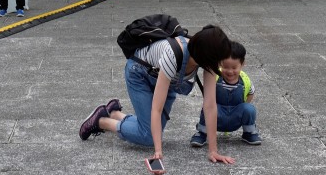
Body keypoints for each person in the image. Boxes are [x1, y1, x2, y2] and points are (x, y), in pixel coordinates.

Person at [79, 24, 235, 168]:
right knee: (148, 137)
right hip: (139, 73)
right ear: (207, 56)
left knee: (153, 131)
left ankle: (114, 113)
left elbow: (210, 105)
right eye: (219, 60)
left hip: (165, 79)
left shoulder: (207, 59)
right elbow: (157, 108)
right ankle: (101, 121)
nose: (221, 65)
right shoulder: (173, 54)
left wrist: (213, 150)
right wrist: (158, 151)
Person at [190, 41, 261, 149]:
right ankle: (202, 133)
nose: (230, 71)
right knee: (206, 107)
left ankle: (249, 133)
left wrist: (243, 109)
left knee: (249, 108)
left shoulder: (245, 80)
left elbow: (251, 93)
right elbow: (208, 98)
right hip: (217, 115)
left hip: (235, 116)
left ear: (242, 64)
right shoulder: (215, 77)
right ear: (219, 63)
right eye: (225, 67)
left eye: (234, 68)